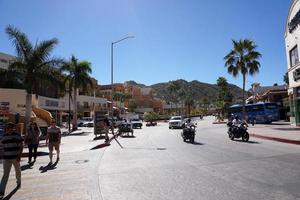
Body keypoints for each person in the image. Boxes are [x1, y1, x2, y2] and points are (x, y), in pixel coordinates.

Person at [0, 123, 23, 199]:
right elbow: (2, 147)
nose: (9, 129)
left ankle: (18, 182)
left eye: (11, 127)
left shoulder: (17, 135)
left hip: (15, 158)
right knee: (5, 175)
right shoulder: (3, 136)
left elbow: (21, 145)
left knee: (18, 171)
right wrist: (2, 155)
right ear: (6, 128)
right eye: (8, 127)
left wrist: (19, 156)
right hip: (6, 158)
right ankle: (1, 191)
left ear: (13, 128)